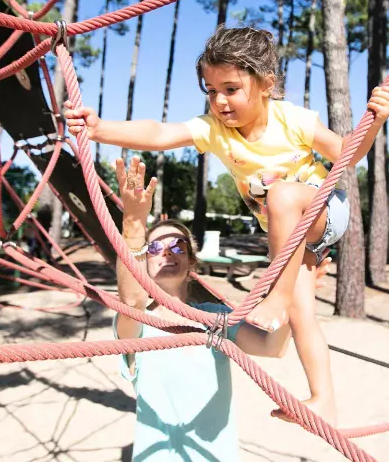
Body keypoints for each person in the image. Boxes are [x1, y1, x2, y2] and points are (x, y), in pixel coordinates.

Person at [65, 26, 389, 422]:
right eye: (211, 90)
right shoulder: (214, 129)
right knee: (302, 312)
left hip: (324, 211)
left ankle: (276, 296)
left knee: (281, 196)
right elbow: (160, 132)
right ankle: (323, 399)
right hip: (292, 240)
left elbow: (346, 153)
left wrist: (374, 122)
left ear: (266, 85)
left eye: (231, 89)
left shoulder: (291, 119)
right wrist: (100, 129)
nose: (219, 101)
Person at [112, 156, 333, 461]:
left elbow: (272, 347)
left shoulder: (215, 317)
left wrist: (295, 293)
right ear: (144, 261)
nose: (167, 253)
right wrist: (134, 223)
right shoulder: (140, 323)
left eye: (177, 247)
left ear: (191, 262)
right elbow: (131, 301)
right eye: (155, 248)